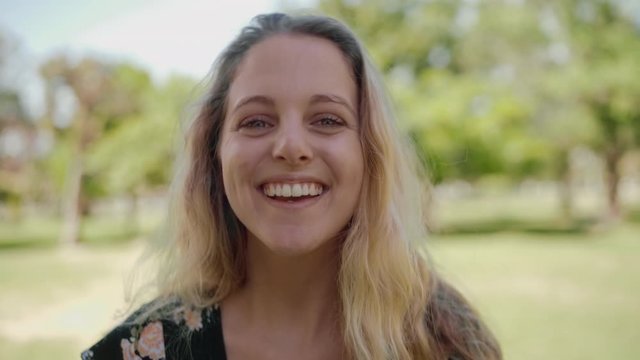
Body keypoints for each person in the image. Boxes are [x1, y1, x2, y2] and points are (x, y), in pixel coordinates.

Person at [82, 12, 501, 360]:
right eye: (257, 121)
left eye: (327, 120)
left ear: (369, 153)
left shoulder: (445, 339)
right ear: (215, 154)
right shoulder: (140, 351)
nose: (291, 147)